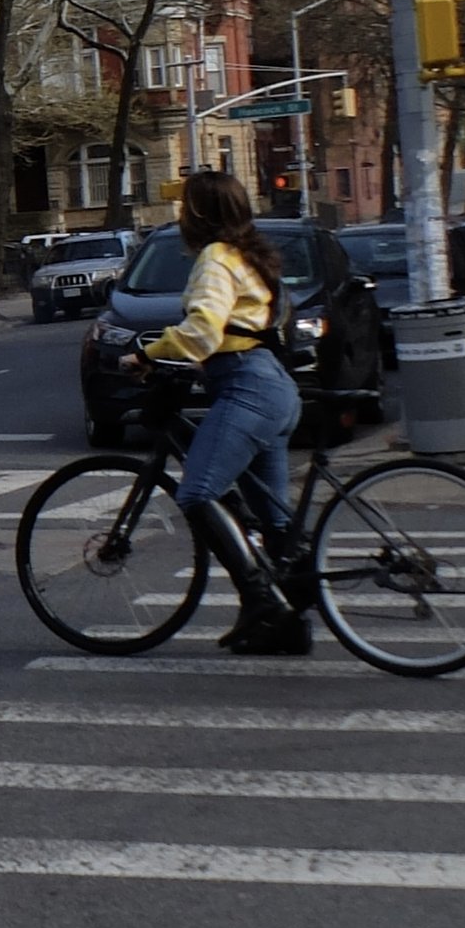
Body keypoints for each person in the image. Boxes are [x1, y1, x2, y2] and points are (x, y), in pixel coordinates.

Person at [124, 171, 306, 656]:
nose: (180, 216)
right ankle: (286, 624)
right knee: (274, 524)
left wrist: (147, 355)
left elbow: (203, 330)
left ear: (198, 214)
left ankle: (261, 602)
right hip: (272, 387)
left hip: (246, 385)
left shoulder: (215, 258)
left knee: (198, 493)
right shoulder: (252, 257)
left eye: (185, 207)